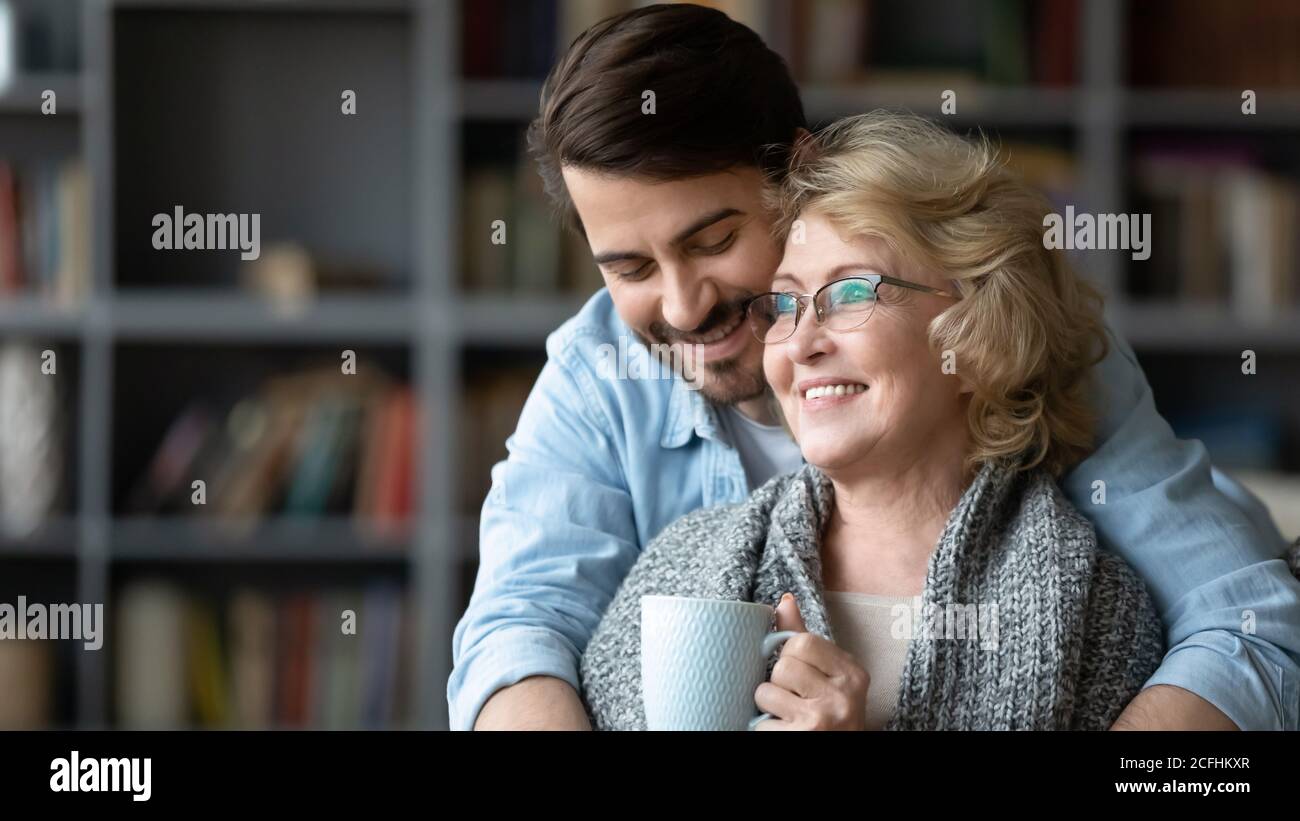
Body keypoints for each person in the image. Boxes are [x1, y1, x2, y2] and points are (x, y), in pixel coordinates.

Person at [448, 3, 1300, 731]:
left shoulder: (1023, 346)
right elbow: (518, 633)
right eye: (629, 267)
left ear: (802, 170)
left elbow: (1248, 625)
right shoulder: (600, 376)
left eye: (712, 241)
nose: (679, 308)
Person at [579, 112, 1164, 730]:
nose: (801, 343)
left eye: (853, 292)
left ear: (977, 336)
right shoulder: (679, 568)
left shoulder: (1095, 606)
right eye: (783, 304)